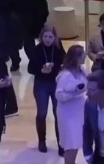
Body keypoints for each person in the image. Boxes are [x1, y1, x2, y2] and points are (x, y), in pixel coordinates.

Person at [27, 26, 65, 155]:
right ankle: (42, 141)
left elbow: (65, 63)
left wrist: (57, 68)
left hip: (56, 83)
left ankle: (61, 143)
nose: (47, 39)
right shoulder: (37, 49)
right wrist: (41, 70)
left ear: (55, 37)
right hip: (41, 83)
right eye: (45, 37)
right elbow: (30, 68)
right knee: (42, 113)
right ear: (41, 37)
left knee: (58, 113)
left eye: (50, 37)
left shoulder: (58, 48)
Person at [56, 44, 89, 164]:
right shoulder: (65, 75)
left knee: (76, 140)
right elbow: (59, 95)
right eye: (83, 55)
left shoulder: (83, 71)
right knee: (71, 142)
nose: (85, 56)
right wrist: (75, 93)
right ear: (76, 57)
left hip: (79, 111)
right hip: (67, 113)